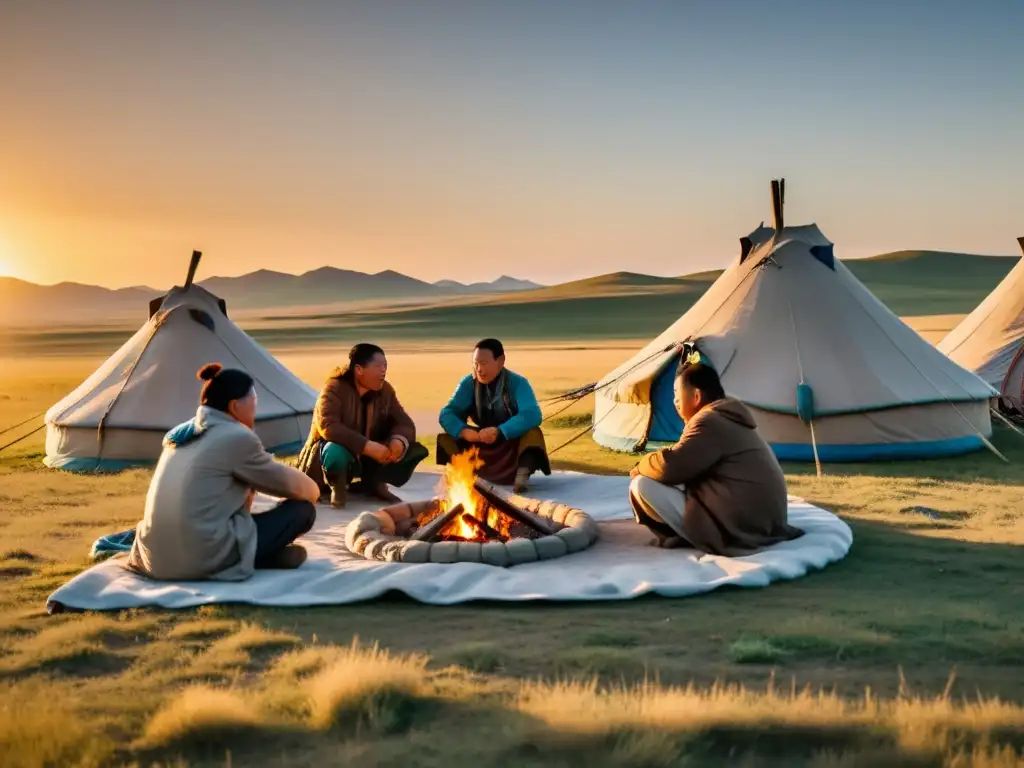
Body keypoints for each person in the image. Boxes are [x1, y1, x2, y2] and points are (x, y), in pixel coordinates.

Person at [127, 364, 321, 581]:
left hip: (153, 556)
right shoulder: (236, 437)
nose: (256, 409)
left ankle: (261, 556)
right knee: (302, 510)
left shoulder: (181, 433)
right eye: (254, 401)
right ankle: (255, 558)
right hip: (200, 557)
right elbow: (304, 489)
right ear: (235, 406)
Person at [628, 354, 802, 555]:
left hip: (740, 525)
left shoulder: (709, 421)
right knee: (665, 477)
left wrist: (641, 465)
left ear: (696, 396)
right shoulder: (726, 416)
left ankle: (697, 535)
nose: (674, 400)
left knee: (642, 484)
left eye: (677, 393)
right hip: (763, 521)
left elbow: (671, 467)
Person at [296, 343, 428, 508]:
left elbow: (404, 422)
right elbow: (329, 427)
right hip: (330, 454)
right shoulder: (334, 389)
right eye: (378, 366)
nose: (383, 371)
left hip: (369, 456)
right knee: (335, 450)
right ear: (359, 370)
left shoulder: (385, 391)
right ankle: (337, 488)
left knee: (414, 449)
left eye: (385, 366)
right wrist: (367, 446)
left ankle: (375, 484)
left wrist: (398, 441)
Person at [437, 338, 550, 492]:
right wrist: (464, 431)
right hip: (480, 441)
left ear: (501, 361)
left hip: (509, 442)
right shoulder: (468, 383)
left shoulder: (518, 383)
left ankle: (521, 476)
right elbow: (447, 413)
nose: (479, 369)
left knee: (533, 434)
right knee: (447, 438)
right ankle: (463, 475)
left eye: (483, 363)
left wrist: (500, 431)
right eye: (475, 364)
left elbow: (532, 414)